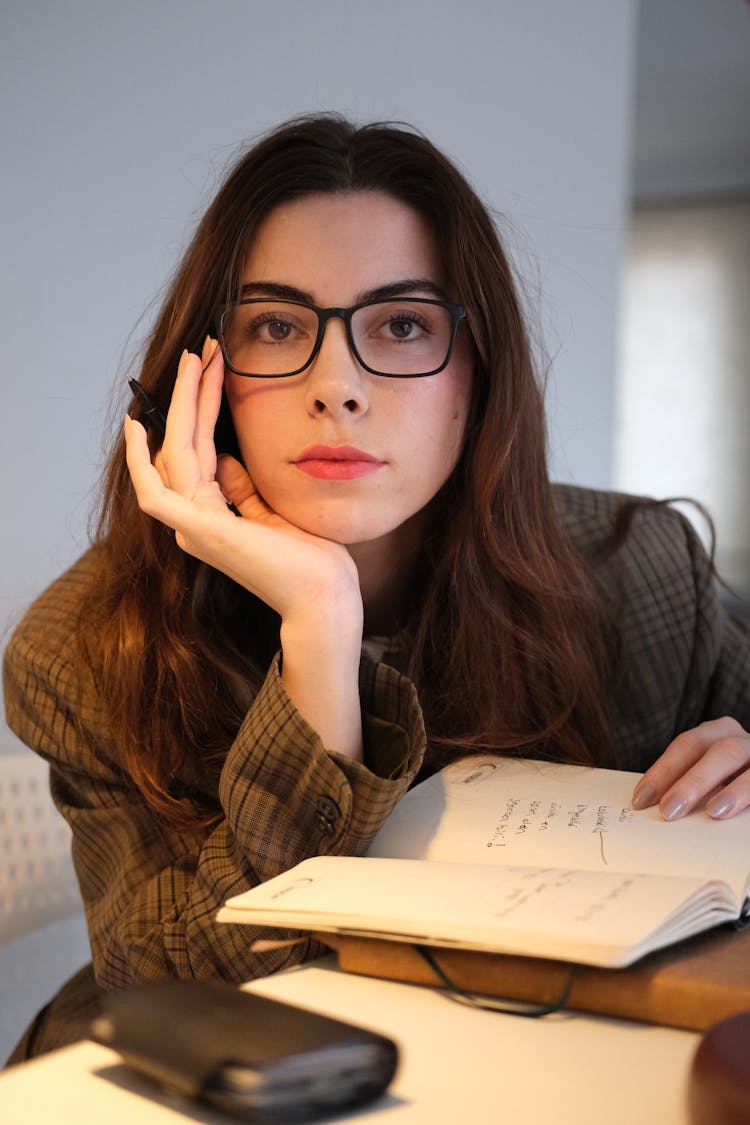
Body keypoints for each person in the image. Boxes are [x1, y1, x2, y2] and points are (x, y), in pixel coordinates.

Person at [4, 114, 749, 1064]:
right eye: (277, 326)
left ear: (479, 374)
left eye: (401, 325)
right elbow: (180, 991)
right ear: (207, 378)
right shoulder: (87, 643)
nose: (338, 385)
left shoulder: (640, 574)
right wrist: (320, 622)